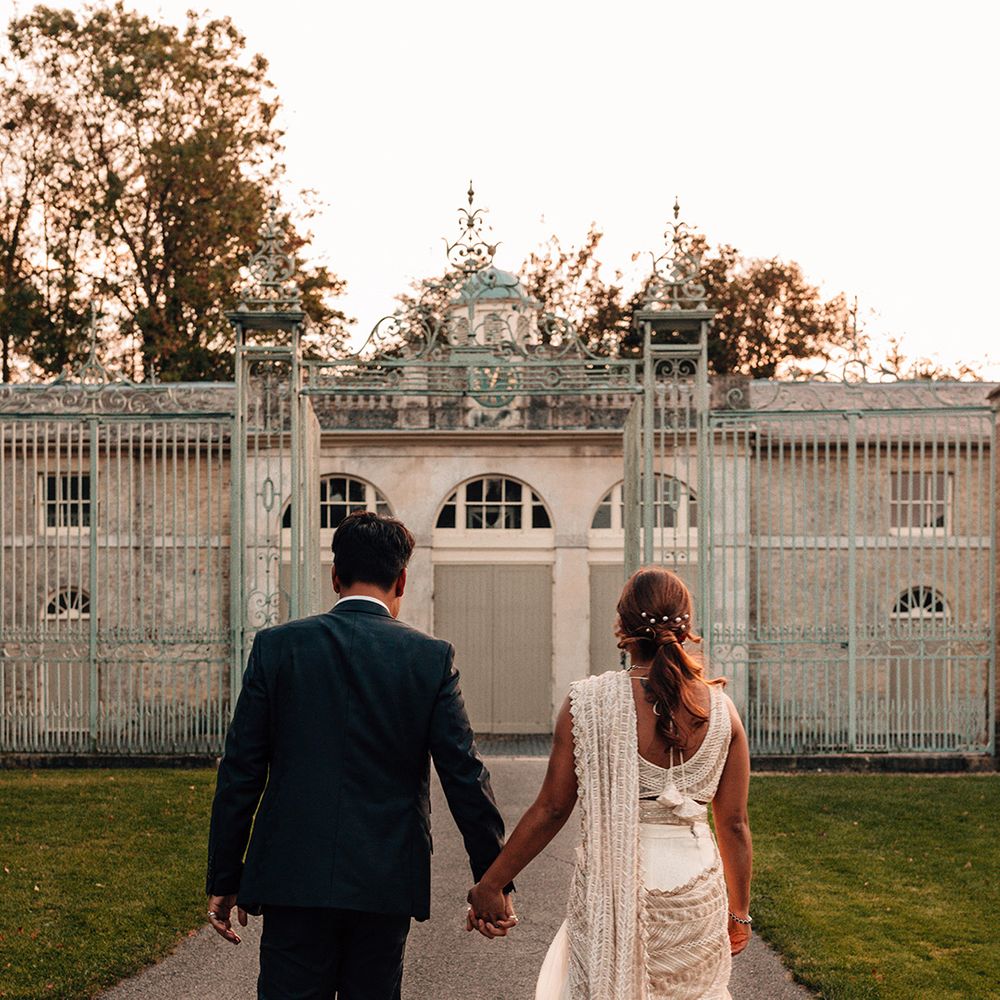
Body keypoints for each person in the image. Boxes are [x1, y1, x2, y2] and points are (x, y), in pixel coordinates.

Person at [206, 510, 515, 1000]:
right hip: (384, 877)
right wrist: (492, 879)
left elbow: (242, 769)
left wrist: (225, 875)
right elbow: (464, 773)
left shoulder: (276, 648)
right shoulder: (429, 658)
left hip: (293, 874)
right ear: (402, 580)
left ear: (335, 576)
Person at [467, 566, 753, 1000]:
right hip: (697, 889)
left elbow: (552, 809)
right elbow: (733, 825)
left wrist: (492, 884)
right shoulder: (722, 709)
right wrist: (740, 912)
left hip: (613, 888)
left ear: (622, 627)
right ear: (688, 626)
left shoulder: (587, 703)